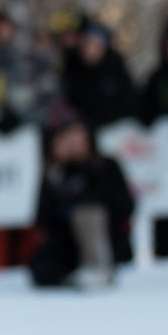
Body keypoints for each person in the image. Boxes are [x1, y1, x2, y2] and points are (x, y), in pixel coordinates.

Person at [27, 119, 135, 289]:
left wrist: (86, 172)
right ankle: (74, 276)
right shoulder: (54, 173)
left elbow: (125, 206)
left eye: (78, 141)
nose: (73, 147)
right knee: (42, 269)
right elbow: (42, 217)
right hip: (67, 242)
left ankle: (97, 269)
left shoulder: (105, 167)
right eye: (68, 141)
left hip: (104, 238)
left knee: (87, 211)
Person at [61, 22, 139, 131]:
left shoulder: (116, 68)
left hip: (117, 128)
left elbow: (130, 102)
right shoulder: (72, 68)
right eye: (87, 44)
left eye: (95, 45)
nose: (90, 49)